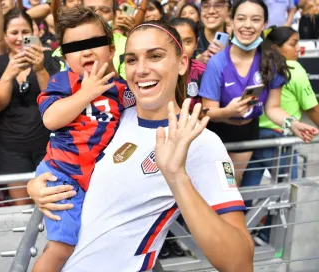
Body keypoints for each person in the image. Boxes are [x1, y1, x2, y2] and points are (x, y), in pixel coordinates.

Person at [27, 20, 254, 271]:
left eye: (155, 56)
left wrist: (176, 177)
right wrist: (39, 185)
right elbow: (75, 161)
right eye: (132, 60)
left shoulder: (198, 141)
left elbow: (240, 264)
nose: (142, 69)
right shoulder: (116, 116)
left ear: (182, 63)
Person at [32, 7, 130, 271]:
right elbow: (51, 119)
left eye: (94, 43)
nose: (86, 52)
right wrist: (86, 93)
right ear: (64, 56)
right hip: (63, 176)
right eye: (76, 47)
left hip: (97, 181)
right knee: (62, 246)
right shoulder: (63, 81)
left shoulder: (121, 87)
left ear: (111, 49)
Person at [199, 0, 318, 186]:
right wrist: (227, 112)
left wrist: (293, 124)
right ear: (231, 23)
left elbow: (273, 108)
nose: (247, 25)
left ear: (264, 25)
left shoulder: (271, 61)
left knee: (233, 183)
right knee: (219, 184)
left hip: (247, 131)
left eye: (255, 20)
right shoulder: (217, 63)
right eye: (241, 19)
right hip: (217, 133)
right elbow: (207, 111)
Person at [0, 8, 60, 206]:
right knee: (23, 209)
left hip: (48, 144)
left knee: (52, 204)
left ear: (34, 32)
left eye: (25, 32)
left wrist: (40, 68)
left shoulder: (49, 57)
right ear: (5, 36)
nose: (20, 38)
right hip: (11, 148)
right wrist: (9, 74)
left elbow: (54, 99)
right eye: (14, 33)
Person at [242, 26, 319, 191]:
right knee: (286, 196)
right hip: (278, 141)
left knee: (246, 193)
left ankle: (243, 217)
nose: (298, 48)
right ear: (276, 47)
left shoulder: (259, 65)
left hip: (253, 137)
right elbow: (312, 109)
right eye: (293, 44)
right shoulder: (294, 69)